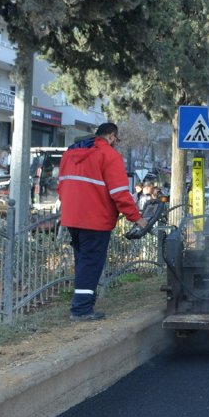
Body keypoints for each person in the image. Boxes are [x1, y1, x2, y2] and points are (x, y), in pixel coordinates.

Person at [57, 123, 148, 321]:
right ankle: (81, 310)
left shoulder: (70, 154)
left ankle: (81, 305)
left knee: (83, 262)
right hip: (95, 220)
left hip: (72, 218)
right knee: (91, 263)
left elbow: (61, 186)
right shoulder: (109, 155)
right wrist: (137, 218)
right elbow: (119, 194)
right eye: (117, 140)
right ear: (113, 136)